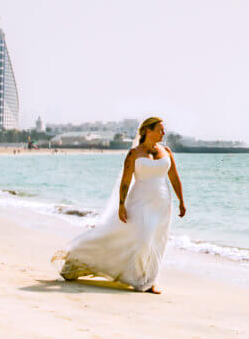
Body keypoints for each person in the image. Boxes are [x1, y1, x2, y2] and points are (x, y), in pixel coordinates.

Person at [53, 117, 185, 293]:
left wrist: (181, 201)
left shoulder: (167, 151)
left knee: (157, 241)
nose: (164, 132)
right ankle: (79, 260)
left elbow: (174, 178)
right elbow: (125, 181)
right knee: (143, 238)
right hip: (140, 202)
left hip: (162, 204)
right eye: (160, 129)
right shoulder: (134, 154)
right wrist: (122, 205)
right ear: (148, 131)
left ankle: (149, 280)